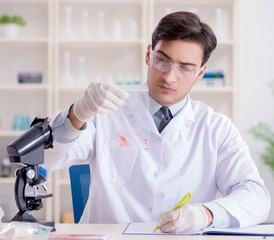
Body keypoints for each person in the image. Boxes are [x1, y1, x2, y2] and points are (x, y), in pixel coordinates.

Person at [44, 11, 270, 233]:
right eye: (162, 60)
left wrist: (206, 214)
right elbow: (45, 160)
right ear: (148, 55)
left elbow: (256, 198)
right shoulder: (105, 111)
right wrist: (77, 114)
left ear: (200, 73)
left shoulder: (216, 129)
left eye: (185, 68)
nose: (169, 77)